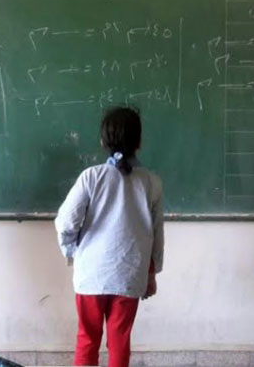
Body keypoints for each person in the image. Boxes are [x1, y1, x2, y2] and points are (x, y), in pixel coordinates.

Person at [55, 107, 164, 367]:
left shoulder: (91, 177)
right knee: (120, 339)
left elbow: (66, 222)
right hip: (130, 272)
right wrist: (151, 273)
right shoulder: (151, 182)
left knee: (87, 338)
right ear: (139, 142)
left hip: (91, 273)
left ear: (103, 141)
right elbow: (156, 233)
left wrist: (71, 250)